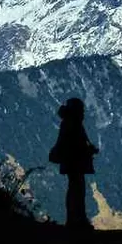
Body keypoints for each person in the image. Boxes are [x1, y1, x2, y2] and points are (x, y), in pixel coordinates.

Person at [48, 97, 99, 229]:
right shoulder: (73, 123)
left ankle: (74, 219)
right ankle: (77, 220)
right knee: (77, 190)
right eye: (81, 110)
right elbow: (75, 144)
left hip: (71, 162)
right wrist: (88, 150)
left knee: (74, 189)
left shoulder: (69, 122)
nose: (83, 113)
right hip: (75, 162)